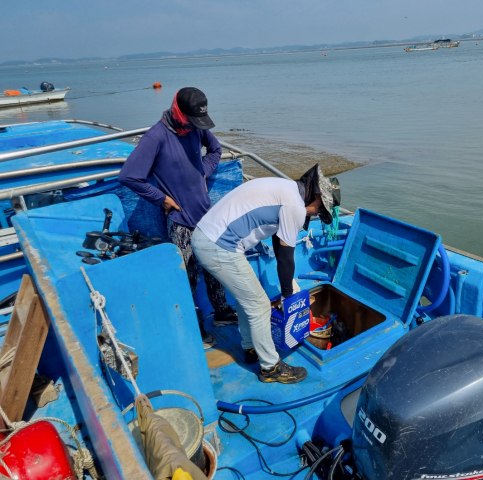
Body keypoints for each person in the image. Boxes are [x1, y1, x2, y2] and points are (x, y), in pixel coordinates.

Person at [192, 164, 340, 384]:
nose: (317, 214)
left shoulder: (286, 189)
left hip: (208, 238)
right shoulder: (295, 206)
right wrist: (288, 295)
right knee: (260, 305)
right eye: (320, 209)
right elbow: (286, 257)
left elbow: (278, 243)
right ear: (315, 195)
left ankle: (250, 348)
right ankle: (270, 367)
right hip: (219, 245)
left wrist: (287, 290)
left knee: (248, 298)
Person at [118, 87, 237, 349]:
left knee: (214, 268)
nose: (196, 127)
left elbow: (215, 150)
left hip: (206, 216)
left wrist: (202, 172)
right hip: (181, 221)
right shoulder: (155, 137)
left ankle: (222, 312)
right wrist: (161, 199)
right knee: (187, 276)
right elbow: (128, 176)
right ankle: (194, 324)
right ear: (178, 111)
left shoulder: (197, 126)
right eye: (192, 121)